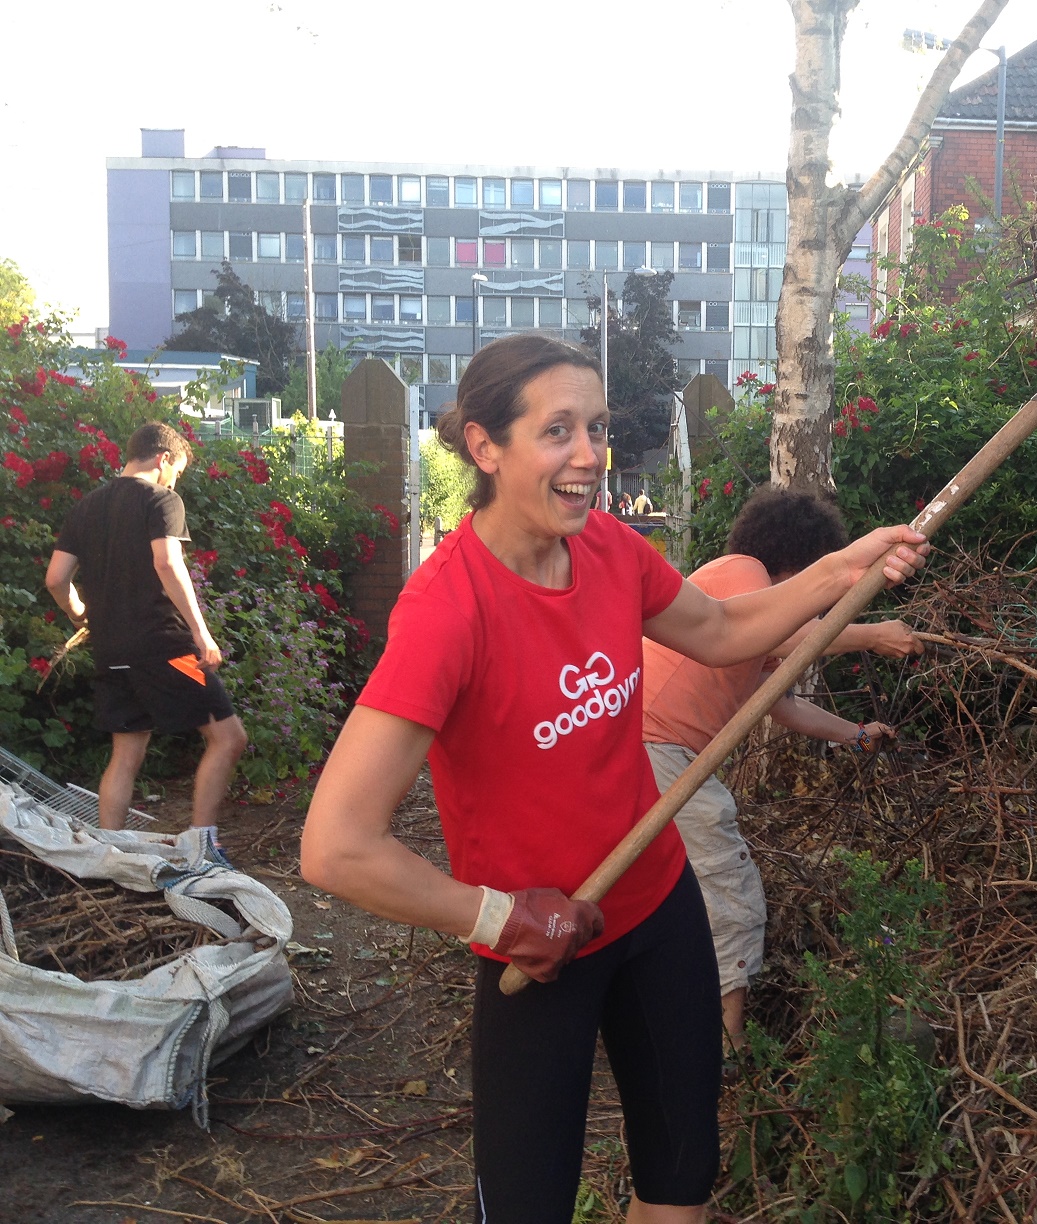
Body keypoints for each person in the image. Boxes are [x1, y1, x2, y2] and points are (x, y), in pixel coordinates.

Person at [299, 334, 927, 1224]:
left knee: (680, 1176)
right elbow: (335, 847)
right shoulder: (447, 613)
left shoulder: (609, 549)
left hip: (659, 908)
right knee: (528, 1206)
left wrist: (838, 569)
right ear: (485, 446)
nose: (590, 455)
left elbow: (718, 631)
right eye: (558, 431)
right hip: (537, 954)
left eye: (595, 427)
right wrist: (502, 916)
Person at [642, 488, 921, 1052]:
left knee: (661, 885)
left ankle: (660, 1010)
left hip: (663, 753)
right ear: (799, 556)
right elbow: (798, 634)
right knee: (728, 880)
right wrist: (872, 634)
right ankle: (728, 1045)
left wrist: (854, 734)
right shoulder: (739, 573)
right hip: (654, 746)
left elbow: (780, 702)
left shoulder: (756, 621)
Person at [44, 422, 248, 856]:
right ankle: (203, 849)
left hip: (110, 648)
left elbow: (56, 578)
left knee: (127, 751)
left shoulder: (86, 507)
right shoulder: (162, 499)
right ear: (164, 459)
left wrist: (78, 611)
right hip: (167, 647)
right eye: (178, 471)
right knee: (229, 738)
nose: (177, 481)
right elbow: (167, 563)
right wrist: (201, 632)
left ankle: (110, 856)